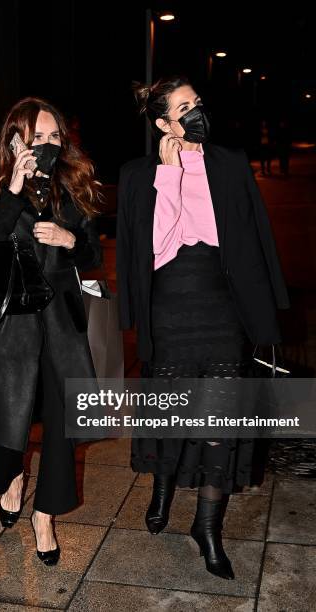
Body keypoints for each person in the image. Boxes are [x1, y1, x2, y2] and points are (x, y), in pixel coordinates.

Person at [116, 76, 290, 580]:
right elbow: (154, 249)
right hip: (169, 309)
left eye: (197, 104)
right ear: (163, 123)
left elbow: (249, 235)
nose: (195, 113)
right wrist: (169, 178)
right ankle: (163, 487)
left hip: (221, 309)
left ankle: (207, 527)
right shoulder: (137, 175)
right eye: (183, 107)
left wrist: (267, 309)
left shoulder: (229, 164)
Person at [0, 97, 102, 565]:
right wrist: (14, 188)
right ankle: (12, 475)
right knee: (15, 413)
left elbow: (92, 255)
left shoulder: (74, 180)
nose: (47, 145)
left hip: (62, 318)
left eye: (54, 136)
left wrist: (71, 241)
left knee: (62, 418)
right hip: (14, 319)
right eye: (37, 136)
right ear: (16, 138)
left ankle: (45, 514)